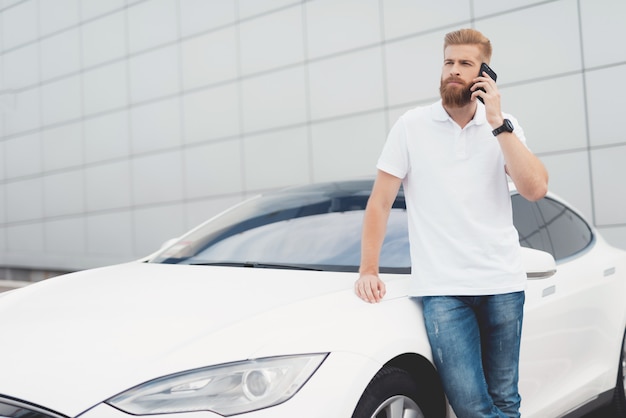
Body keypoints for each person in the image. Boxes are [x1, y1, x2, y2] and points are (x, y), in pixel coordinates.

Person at [355, 28, 548, 418]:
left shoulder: (505, 124)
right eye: (448, 62)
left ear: (485, 74)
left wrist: (496, 121)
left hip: (502, 284)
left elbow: (535, 188)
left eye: (464, 64)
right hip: (444, 291)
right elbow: (380, 202)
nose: (453, 71)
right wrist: (368, 269)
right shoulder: (411, 125)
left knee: (505, 400)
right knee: (472, 406)